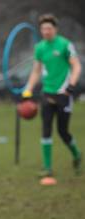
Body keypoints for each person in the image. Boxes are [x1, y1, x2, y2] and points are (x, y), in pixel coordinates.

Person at [23, 14, 82, 177]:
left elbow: (76, 66)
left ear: (55, 29)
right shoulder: (40, 48)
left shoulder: (65, 45)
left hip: (63, 93)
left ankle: (77, 154)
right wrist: (28, 89)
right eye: (43, 28)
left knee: (63, 132)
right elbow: (36, 71)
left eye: (49, 28)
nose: (46, 31)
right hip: (47, 93)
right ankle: (47, 168)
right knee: (46, 129)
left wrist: (71, 86)